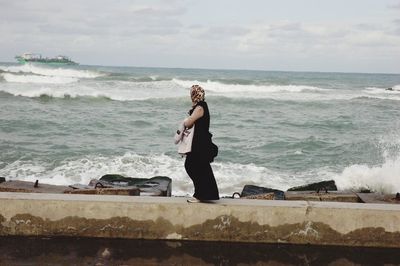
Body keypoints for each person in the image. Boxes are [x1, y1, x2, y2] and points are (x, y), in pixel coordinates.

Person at [184, 85, 219, 203]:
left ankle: (201, 194)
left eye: (192, 93)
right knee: (200, 167)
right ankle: (205, 194)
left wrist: (184, 121)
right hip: (199, 141)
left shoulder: (200, 107)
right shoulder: (201, 106)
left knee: (192, 166)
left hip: (200, 142)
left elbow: (189, 122)